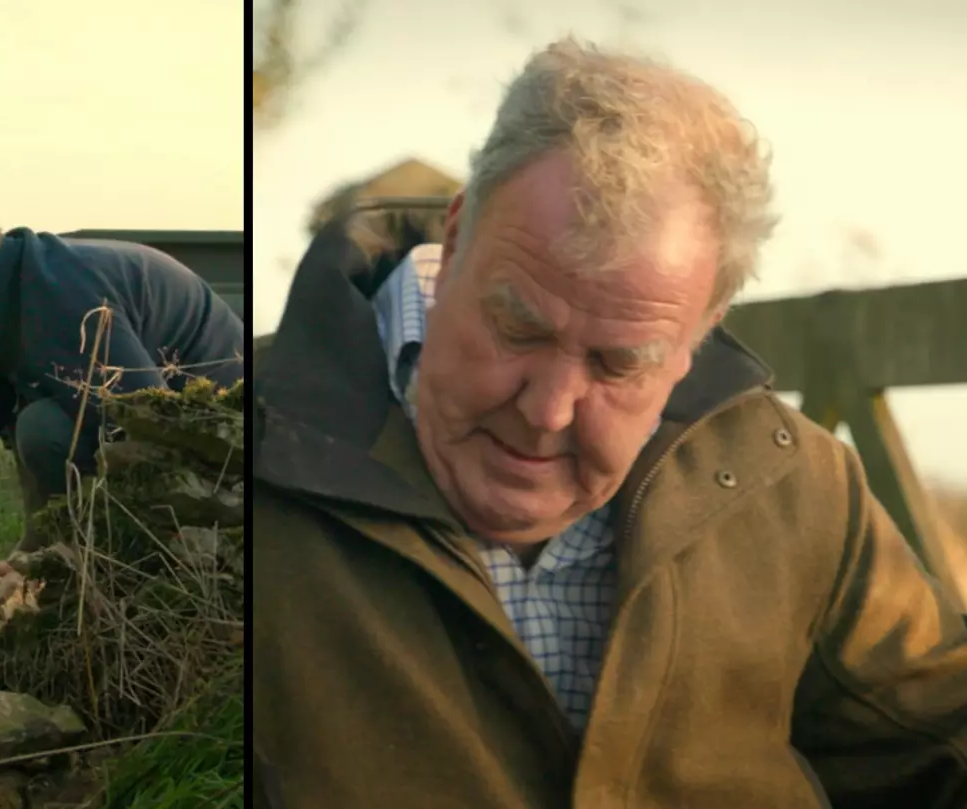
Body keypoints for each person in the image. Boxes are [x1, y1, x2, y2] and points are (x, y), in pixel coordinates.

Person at [251, 38, 967, 808]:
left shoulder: (793, 482)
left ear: (702, 329)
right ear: (455, 238)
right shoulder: (231, 449)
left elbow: (932, 746)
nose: (548, 409)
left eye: (618, 364)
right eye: (518, 327)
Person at [0, 206, 244, 549]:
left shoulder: (63, 303)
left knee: (43, 428)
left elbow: (146, 417)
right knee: (33, 413)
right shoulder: (12, 291)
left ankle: (101, 556)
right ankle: (53, 546)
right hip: (173, 410)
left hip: (221, 428)